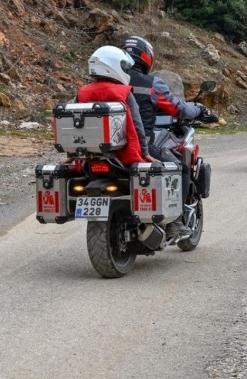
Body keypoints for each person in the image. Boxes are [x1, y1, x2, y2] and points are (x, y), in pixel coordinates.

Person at [121, 35, 207, 237]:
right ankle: (175, 222)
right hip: (140, 147)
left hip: (106, 149)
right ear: (146, 58)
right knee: (182, 169)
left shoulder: (110, 82)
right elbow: (178, 109)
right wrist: (198, 110)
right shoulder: (151, 84)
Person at [76, 45, 156, 167]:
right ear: (113, 66)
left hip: (88, 156)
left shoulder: (83, 92)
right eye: (123, 66)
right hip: (124, 155)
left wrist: (72, 155)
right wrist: (145, 152)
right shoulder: (124, 92)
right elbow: (137, 124)